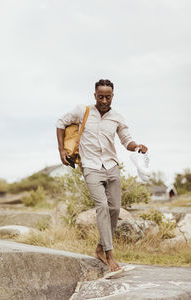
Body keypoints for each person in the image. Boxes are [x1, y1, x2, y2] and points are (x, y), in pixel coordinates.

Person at [56, 79, 148, 272]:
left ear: (113, 96)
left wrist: (137, 146)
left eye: (108, 96)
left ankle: (100, 247)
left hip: (112, 166)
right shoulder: (83, 111)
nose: (104, 100)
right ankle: (109, 254)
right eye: (100, 96)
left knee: (115, 208)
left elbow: (126, 140)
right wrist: (61, 150)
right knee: (102, 206)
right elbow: (60, 122)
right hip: (90, 167)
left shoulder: (117, 117)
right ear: (94, 95)